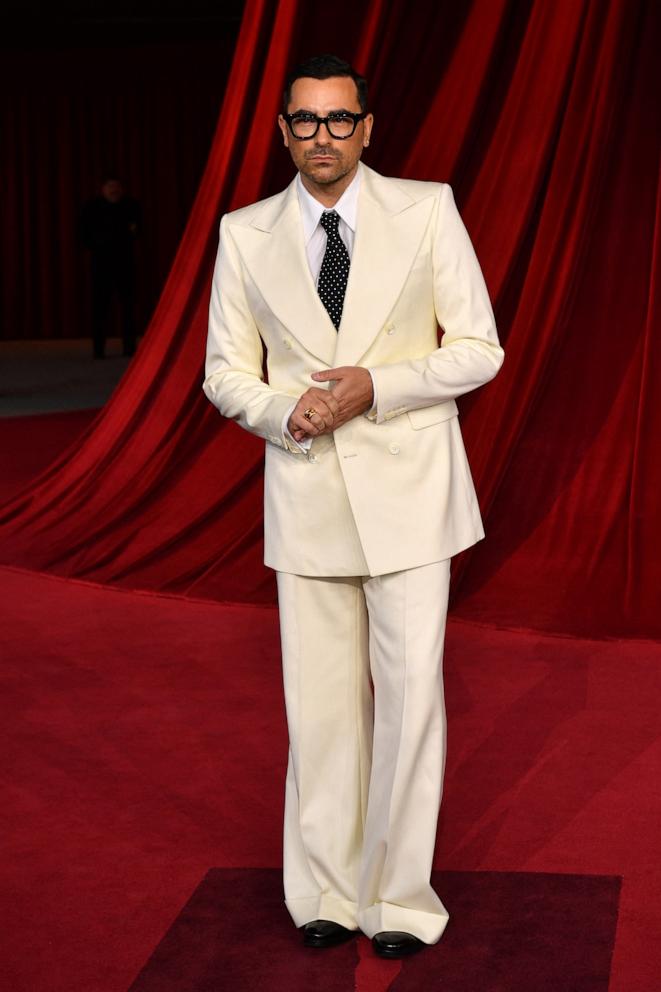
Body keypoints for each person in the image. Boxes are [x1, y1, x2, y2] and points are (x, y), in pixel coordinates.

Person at [203, 54, 504, 959]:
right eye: (306, 121)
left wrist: (378, 385)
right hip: (305, 492)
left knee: (410, 704)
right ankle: (326, 892)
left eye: (340, 120)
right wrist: (276, 408)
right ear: (283, 132)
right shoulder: (243, 232)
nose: (322, 137)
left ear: (367, 127)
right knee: (321, 709)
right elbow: (223, 372)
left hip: (411, 494)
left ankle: (401, 901)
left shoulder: (427, 207)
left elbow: (479, 348)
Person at [81, 176, 140, 359]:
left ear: (121, 189)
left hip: (125, 265)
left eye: (116, 186)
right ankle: (98, 350)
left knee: (128, 308)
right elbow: (83, 234)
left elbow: (139, 230)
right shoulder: (92, 208)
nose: (113, 190)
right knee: (100, 309)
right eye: (110, 187)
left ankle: (130, 348)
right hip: (101, 266)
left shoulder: (131, 206)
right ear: (103, 189)